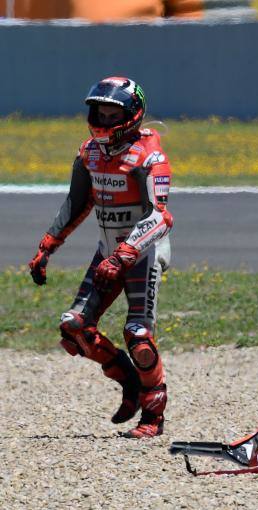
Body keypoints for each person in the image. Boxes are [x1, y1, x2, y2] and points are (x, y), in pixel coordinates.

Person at [27, 77, 173, 438]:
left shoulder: (149, 157)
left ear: (132, 115)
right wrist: (47, 247)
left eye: (112, 113)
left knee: (138, 334)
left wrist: (125, 254)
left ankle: (153, 417)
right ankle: (129, 382)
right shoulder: (88, 152)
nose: (103, 120)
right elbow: (76, 203)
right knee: (74, 326)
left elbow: (160, 217)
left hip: (142, 254)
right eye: (99, 111)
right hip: (105, 254)